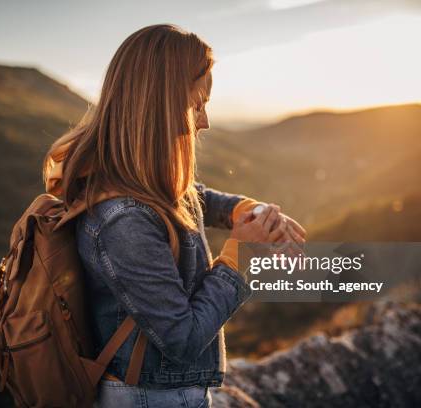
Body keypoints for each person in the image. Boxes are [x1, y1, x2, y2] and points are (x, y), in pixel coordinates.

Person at [43, 24, 306, 408]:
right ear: (160, 104)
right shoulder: (123, 220)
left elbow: (193, 196)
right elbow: (182, 339)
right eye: (197, 102)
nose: (204, 121)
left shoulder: (130, 181)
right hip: (150, 398)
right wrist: (239, 255)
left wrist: (245, 208)